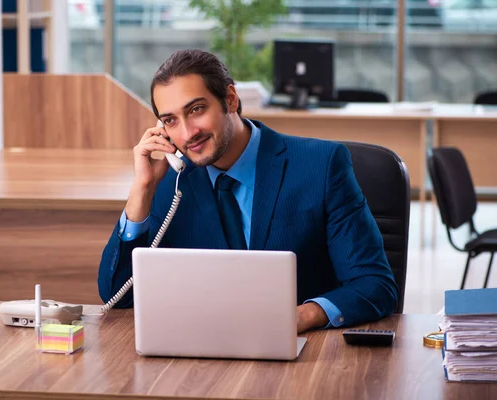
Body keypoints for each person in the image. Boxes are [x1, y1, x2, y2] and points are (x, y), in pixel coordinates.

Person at [98, 49, 398, 332]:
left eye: (197, 109)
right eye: (171, 120)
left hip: (303, 355)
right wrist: (143, 189)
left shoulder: (322, 165)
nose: (188, 133)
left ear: (230, 99)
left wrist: (302, 315)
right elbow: (118, 297)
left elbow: (374, 284)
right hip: (205, 355)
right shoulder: (171, 181)